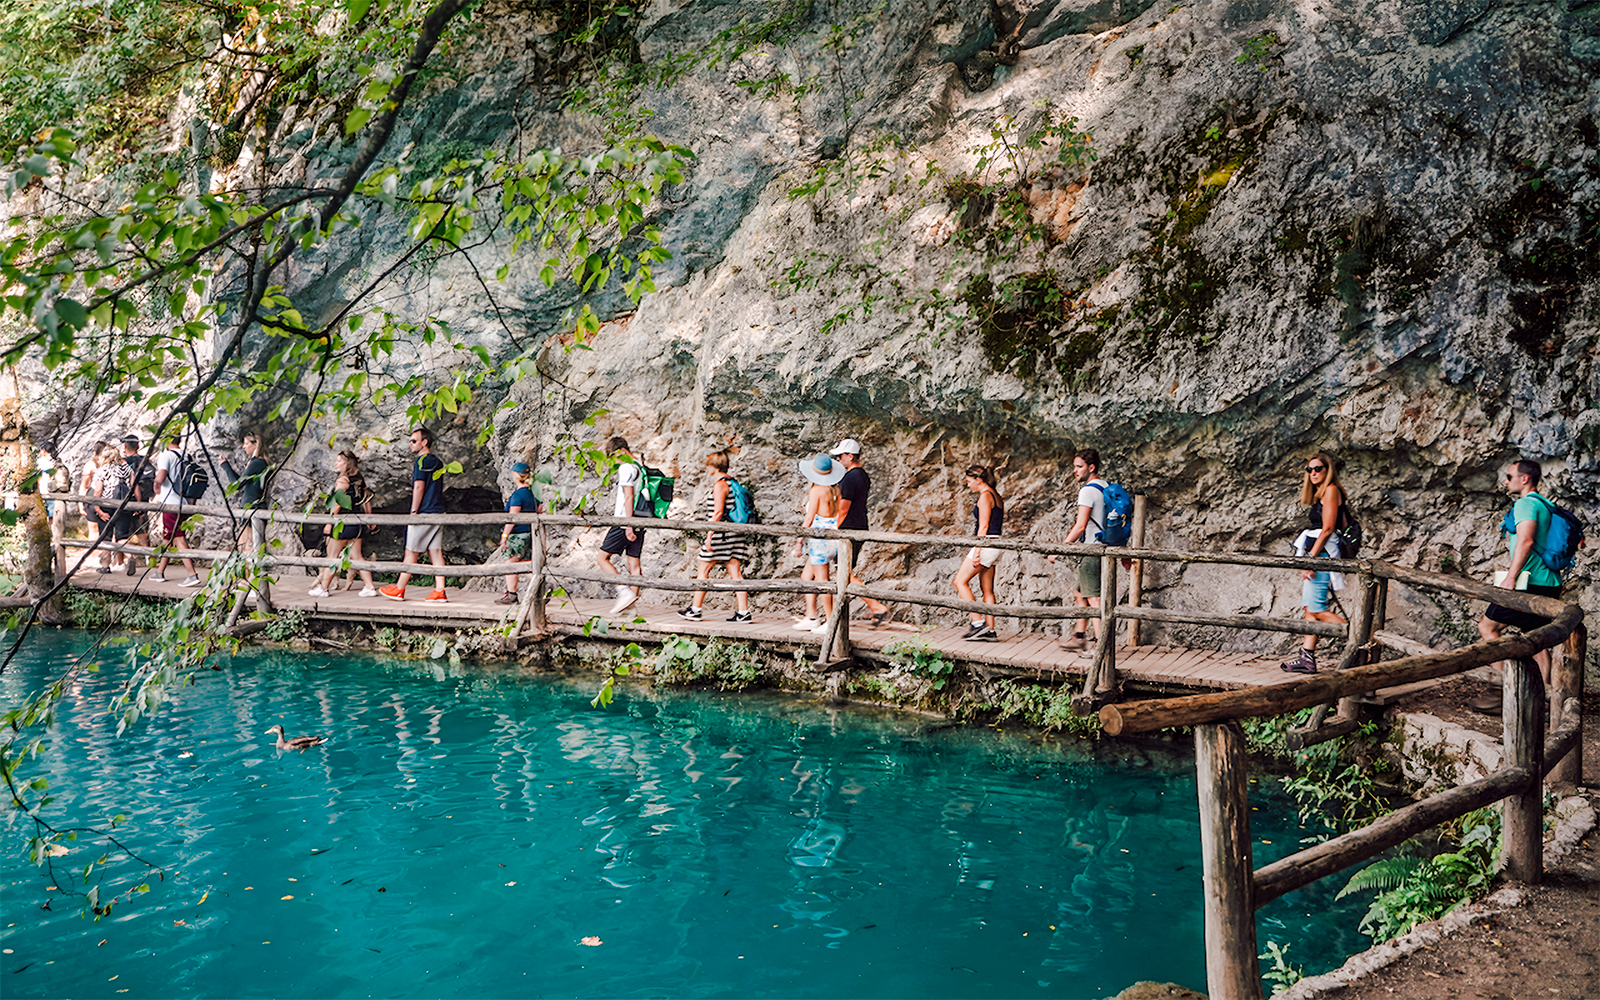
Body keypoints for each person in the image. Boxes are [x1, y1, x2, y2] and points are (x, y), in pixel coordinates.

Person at [1472, 459, 1564, 714]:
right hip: (1549, 583)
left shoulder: (1525, 504)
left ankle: (1507, 687)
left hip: (1528, 584)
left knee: (1487, 627)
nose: (1505, 481)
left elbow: (1525, 541)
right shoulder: (1547, 505)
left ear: (1525, 479)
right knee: (1535, 640)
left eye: (1509, 476)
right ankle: (1543, 701)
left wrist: (1511, 577)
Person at [1280, 452, 1351, 674]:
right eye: (1309, 469)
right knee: (1310, 609)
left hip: (1322, 557)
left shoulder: (1331, 491)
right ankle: (1307, 658)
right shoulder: (1323, 494)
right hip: (1318, 555)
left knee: (1317, 610)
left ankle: (1360, 641)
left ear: (1327, 470)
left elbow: (1328, 529)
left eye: (1318, 468)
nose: (1313, 473)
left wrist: (1311, 559)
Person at [679, 450, 752, 623]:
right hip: (734, 533)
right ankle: (744, 612)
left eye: (709, 464)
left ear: (713, 466)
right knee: (735, 572)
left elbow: (718, 511)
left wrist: (709, 536)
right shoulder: (732, 482)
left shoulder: (720, 485)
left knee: (703, 569)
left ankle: (695, 610)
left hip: (722, 534)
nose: (707, 468)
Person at [1048, 448, 1108, 657]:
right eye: (1074, 466)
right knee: (1080, 592)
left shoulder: (1087, 491)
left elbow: (1080, 526)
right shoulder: (1105, 487)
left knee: (1093, 599)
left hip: (1091, 548)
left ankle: (1101, 647)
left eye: (1079, 466)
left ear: (1091, 467)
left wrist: (1059, 549)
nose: (1075, 471)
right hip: (1103, 548)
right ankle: (1079, 637)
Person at [380, 427, 449, 603]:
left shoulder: (421, 462)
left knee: (410, 552)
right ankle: (440, 590)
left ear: (424, 442)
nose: (410, 444)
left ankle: (399, 588)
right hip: (438, 511)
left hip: (424, 513)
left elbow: (418, 487)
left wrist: (413, 511)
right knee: (436, 552)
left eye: (413, 441)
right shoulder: (438, 462)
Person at [830, 438, 891, 624]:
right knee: (845, 572)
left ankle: (876, 606)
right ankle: (867, 609)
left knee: (844, 573)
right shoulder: (863, 475)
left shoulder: (850, 478)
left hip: (848, 529)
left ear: (850, 456)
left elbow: (843, 508)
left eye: (841, 456)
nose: (839, 460)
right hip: (859, 525)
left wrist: (835, 528)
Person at [310, 450, 378, 598]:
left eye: (339, 460)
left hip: (341, 523)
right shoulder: (359, 480)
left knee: (332, 557)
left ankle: (324, 588)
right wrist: (369, 519)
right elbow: (366, 500)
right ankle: (370, 587)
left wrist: (330, 522)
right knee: (357, 557)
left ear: (347, 463)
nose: (336, 463)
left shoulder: (342, 480)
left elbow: (338, 503)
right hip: (356, 523)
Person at [792, 453, 845, 633]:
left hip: (819, 540)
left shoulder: (816, 490)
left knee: (823, 581)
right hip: (832, 538)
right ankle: (811, 616)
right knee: (807, 577)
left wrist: (799, 541)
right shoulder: (835, 489)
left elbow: (809, 518)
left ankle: (830, 622)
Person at [953, 464, 1005, 641]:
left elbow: (983, 526)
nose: (968, 485)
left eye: (969, 481)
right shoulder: (996, 495)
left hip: (986, 544)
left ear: (978, 480)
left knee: (960, 581)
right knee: (987, 590)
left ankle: (978, 623)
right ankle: (990, 630)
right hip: (997, 544)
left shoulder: (984, 497)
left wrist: (977, 551)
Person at [597, 437, 647, 617]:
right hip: (641, 520)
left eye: (613, 456)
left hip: (625, 521)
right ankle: (631, 606)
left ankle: (624, 591)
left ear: (621, 451)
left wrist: (627, 524)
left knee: (602, 558)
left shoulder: (625, 467)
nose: (614, 461)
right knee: (634, 563)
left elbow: (629, 497)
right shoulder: (639, 467)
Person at [152, 434, 201, 586]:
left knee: (178, 537)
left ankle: (192, 575)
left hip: (170, 503)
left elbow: (161, 475)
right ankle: (159, 571)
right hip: (184, 502)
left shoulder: (167, 455)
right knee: (169, 537)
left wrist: (156, 485)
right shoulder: (186, 455)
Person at [496, 460, 540, 605]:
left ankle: (512, 594)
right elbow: (539, 510)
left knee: (511, 565)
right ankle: (541, 585)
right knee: (524, 563)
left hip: (517, 534)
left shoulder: (517, 496)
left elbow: (512, 517)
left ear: (515, 476)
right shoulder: (533, 494)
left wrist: (504, 536)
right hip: (529, 533)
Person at [97, 440, 136, 574]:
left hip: (107, 505)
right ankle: (130, 556)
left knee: (105, 536)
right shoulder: (127, 468)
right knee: (122, 535)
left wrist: (98, 509)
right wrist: (137, 504)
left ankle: (105, 565)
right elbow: (134, 487)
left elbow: (98, 491)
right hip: (124, 505)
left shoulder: (103, 470)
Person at [120, 436, 152, 575]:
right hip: (143, 500)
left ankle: (123, 560)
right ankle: (149, 558)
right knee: (142, 528)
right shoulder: (146, 460)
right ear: (138, 446)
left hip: (128, 499)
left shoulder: (123, 462)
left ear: (125, 446)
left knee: (122, 531)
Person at [235, 432, 270, 552]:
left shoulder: (257, 463)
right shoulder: (260, 463)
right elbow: (240, 482)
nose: (244, 446)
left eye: (246, 443)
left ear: (255, 445)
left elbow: (237, 485)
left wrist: (224, 466)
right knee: (243, 545)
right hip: (252, 506)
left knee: (247, 545)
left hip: (251, 507)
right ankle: (247, 570)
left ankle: (251, 570)